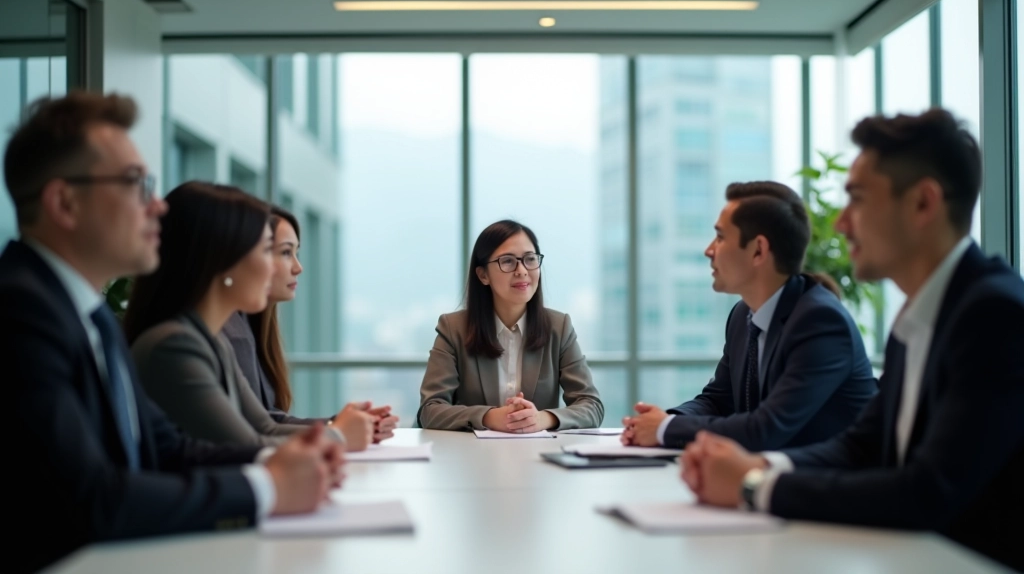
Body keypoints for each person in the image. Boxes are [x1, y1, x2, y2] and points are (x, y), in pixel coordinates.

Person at [1, 92, 342, 573]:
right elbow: (91, 498)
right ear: (65, 203)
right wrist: (267, 487)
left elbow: (165, 449)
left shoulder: (90, 314)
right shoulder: (21, 312)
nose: (158, 206)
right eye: (136, 184)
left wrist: (292, 461)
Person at [681, 109, 1024, 571]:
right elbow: (859, 446)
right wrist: (754, 469)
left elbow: (927, 491)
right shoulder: (918, 316)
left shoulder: (994, 315)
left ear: (923, 203)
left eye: (857, 200)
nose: (841, 223)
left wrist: (755, 485)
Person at [621, 182, 877, 451]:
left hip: (826, 486)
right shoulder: (743, 315)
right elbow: (718, 401)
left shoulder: (820, 322)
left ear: (758, 250)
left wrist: (664, 429)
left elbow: (767, 428)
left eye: (720, 237)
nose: (709, 250)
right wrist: (664, 421)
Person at [123, 182, 374, 451]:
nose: (275, 267)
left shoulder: (210, 340)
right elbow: (248, 448)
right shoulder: (174, 346)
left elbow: (264, 427)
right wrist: (338, 435)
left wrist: (339, 428)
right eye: (268, 250)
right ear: (224, 259)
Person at [221, 205, 398, 443]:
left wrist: (342, 424)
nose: (298, 267)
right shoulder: (232, 334)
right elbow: (259, 430)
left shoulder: (244, 326)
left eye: (296, 253)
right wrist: (338, 433)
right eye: (284, 253)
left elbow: (268, 421)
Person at [418, 219, 604, 432]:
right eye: (507, 261)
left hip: (538, 457)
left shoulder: (559, 327)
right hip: (471, 457)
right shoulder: (453, 328)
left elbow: (592, 406)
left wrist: (543, 419)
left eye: (530, 259)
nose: (522, 270)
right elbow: (429, 410)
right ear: (483, 275)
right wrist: (488, 417)